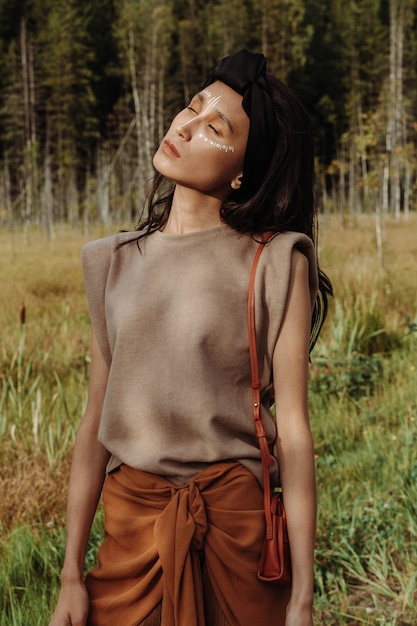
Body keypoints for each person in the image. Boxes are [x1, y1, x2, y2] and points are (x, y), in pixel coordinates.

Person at [49, 49, 332, 626]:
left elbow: (295, 434)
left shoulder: (276, 262)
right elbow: (95, 420)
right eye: (192, 105)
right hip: (132, 534)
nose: (185, 125)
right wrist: (71, 576)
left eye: (214, 126)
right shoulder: (111, 262)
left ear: (242, 171)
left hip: (238, 541)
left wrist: (303, 598)